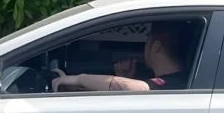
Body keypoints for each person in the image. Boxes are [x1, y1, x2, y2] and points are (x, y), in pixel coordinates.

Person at [51, 24, 190, 92]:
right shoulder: (181, 78)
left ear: (157, 46)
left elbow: (136, 88)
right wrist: (128, 77)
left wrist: (77, 79)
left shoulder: (176, 81)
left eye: (148, 39)